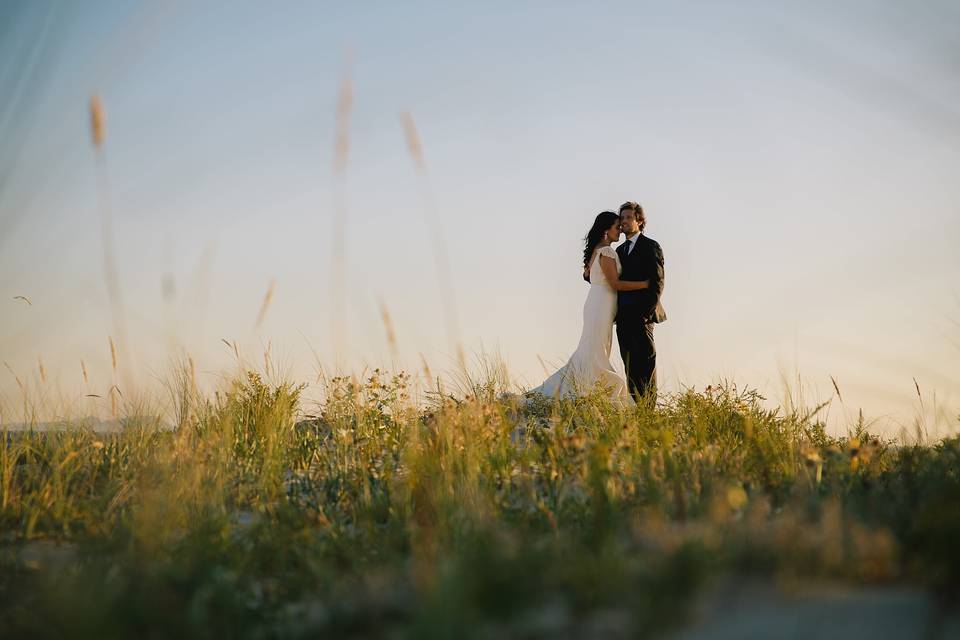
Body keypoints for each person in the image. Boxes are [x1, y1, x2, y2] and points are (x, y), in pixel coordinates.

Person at [529, 211, 649, 405]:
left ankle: (587, 387)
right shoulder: (606, 251)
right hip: (601, 305)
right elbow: (615, 283)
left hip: (597, 302)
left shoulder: (597, 250)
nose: (619, 230)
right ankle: (590, 389)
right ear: (605, 230)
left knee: (593, 348)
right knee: (596, 350)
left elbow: (590, 275)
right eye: (616, 227)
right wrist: (644, 284)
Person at [614, 201, 666, 406]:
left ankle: (648, 413)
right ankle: (635, 410)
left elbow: (657, 282)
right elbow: (611, 280)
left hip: (643, 318)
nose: (624, 221)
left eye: (628, 217)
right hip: (623, 318)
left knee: (646, 365)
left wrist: (645, 314)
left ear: (639, 221)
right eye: (622, 218)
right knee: (630, 368)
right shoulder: (618, 251)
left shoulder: (650, 246)